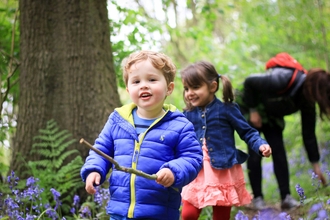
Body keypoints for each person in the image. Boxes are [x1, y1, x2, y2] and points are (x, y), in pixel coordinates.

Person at [80, 50, 203, 220]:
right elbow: (101, 150)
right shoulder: (118, 121)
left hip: (159, 212)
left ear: (169, 88)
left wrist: (174, 170)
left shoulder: (180, 125)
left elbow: (193, 158)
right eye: (136, 81)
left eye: (152, 80)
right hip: (119, 211)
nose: (144, 85)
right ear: (128, 88)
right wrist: (94, 169)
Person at [179, 61, 272, 220]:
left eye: (195, 87)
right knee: (188, 214)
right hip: (197, 167)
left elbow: (247, 132)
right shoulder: (187, 114)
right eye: (187, 89)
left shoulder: (227, 109)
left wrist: (260, 144)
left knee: (221, 214)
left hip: (222, 168)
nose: (189, 93)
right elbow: (179, 139)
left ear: (213, 87)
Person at [235, 63, 330, 210]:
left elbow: (309, 135)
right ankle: (258, 198)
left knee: (278, 150)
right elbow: (249, 82)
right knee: (255, 152)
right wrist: (253, 110)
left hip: (272, 116)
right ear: (314, 87)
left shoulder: (307, 101)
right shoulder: (282, 79)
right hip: (251, 106)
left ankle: (286, 197)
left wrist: (316, 166)